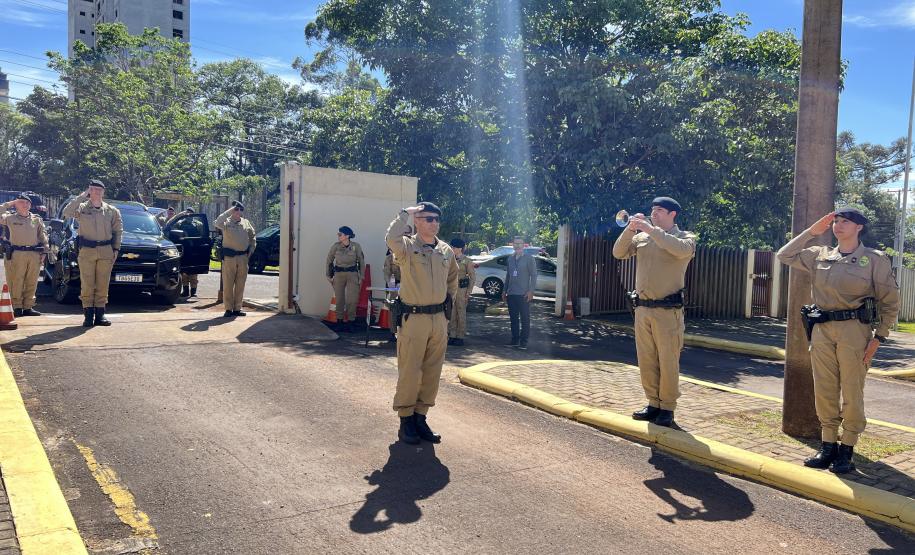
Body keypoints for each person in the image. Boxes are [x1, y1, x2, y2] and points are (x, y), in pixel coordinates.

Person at [776, 208, 899, 474]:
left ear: (859, 228)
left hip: (855, 330)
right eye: (836, 221)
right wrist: (811, 232)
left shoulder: (874, 260)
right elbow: (783, 255)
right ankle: (828, 445)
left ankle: (847, 448)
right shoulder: (820, 254)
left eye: (846, 222)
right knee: (825, 388)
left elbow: (890, 302)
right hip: (822, 328)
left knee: (852, 390)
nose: (838, 226)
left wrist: (879, 337)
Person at [612, 196, 696, 428]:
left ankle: (667, 407)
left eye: (660, 210)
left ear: (672, 215)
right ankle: (653, 403)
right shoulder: (642, 237)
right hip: (642, 310)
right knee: (646, 359)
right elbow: (618, 252)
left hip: (668, 311)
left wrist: (650, 228)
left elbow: (678, 250)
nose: (654, 213)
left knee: (668, 361)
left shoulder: (685, 238)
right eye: (653, 210)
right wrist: (630, 230)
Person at [386, 202, 458, 444]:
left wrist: (446, 307)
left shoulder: (445, 250)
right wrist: (405, 213)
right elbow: (391, 237)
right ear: (417, 221)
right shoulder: (406, 247)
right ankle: (405, 419)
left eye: (437, 219)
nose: (434, 223)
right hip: (413, 319)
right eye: (428, 218)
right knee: (410, 370)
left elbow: (452, 280)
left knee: (432, 372)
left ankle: (420, 417)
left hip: (438, 320)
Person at [63, 180, 123, 327]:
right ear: (89, 190)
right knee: (87, 283)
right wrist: (82, 195)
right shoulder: (82, 208)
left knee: (103, 283)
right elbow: (67, 212)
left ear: (103, 192)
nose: (96, 192)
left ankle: (100, 315)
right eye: (93, 189)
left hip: (105, 250)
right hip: (87, 250)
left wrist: (116, 249)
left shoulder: (111, 211)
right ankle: (88, 315)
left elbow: (118, 231)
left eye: (99, 190)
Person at [0, 193, 49, 317]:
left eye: (27, 203)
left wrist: (44, 251)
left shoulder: (36, 219)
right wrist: (10, 203)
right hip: (17, 253)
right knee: (16, 280)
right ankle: (16, 307)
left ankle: (28, 306)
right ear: (16, 204)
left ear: (30, 205)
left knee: (32, 281)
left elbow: (42, 236)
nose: (25, 205)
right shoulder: (9, 218)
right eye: (21, 202)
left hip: (34, 254)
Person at [215, 201, 256, 318]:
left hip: (243, 258)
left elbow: (253, 237)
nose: (239, 212)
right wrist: (230, 210)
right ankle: (228, 309)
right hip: (229, 258)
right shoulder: (226, 222)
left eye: (240, 210)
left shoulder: (246, 223)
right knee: (228, 284)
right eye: (236, 210)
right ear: (232, 211)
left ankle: (237, 308)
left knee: (240, 284)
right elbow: (217, 222)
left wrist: (251, 250)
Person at [325, 225, 365, 332]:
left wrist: (361, 276)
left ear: (347, 236)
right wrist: (329, 275)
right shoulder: (336, 246)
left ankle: (351, 322)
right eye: (338, 234)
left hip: (352, 274)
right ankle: (339, 321)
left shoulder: (356, 246)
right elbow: (329, 260)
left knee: (352, 299)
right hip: (339, 274)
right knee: (339, 299)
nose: (338, 236)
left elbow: (361, 261)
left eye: (340, 234)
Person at [502, 236, 537, 350]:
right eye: (515, 243)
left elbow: (534, 275)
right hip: (512, 294)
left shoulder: (529, 258)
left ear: (524, 245)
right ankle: (515, 340)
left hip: (524, 294)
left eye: (520, 243)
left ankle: (524, 342)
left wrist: (531, 291)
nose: (517, 245)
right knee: (513, 319)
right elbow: (508, 276)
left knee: (525, 319)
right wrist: (504, 290)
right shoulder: (510, 259)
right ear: (513, 245)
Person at [167, 208, 202, 298]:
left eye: (191, 213)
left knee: (194, 272)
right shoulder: (180, 223)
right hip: (184, 249)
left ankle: (193, 292)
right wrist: (179, 215)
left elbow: (203, 236)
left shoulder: (199, 225)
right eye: (187, 213)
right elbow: (170, 226)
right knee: (184, 272)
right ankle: (185, 291)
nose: (189, 215)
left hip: (194, 250)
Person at [448, 237, 476, 346]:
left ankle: (460, 336)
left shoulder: (466, 261)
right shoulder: (450, 259)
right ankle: (452, 334)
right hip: (451, 289)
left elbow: (472, 277)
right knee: (452, 313)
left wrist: (468, 291)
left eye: (454, 247)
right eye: (452, 247)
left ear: (459, 248)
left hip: (462, 290)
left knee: (461, 313)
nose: (452, 249)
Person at [383, 247, 401, 342]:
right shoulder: (389, 259)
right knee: (393, 308)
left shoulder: (406, 256)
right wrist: (391, 284)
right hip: (394, 286)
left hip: (407, 287)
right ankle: (392, 331)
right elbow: (387, 273)